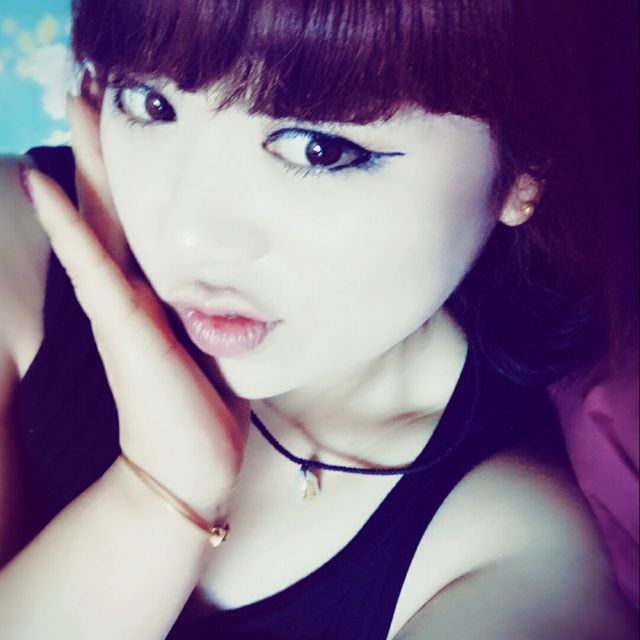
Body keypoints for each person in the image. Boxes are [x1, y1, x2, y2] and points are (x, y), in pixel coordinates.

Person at [0, 1, 637, 638]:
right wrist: (158, 490)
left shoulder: (514, 557)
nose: (189, 237)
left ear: (526, 171)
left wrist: (167, 493)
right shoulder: (20, 241)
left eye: (319, 149)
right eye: (150, 103)